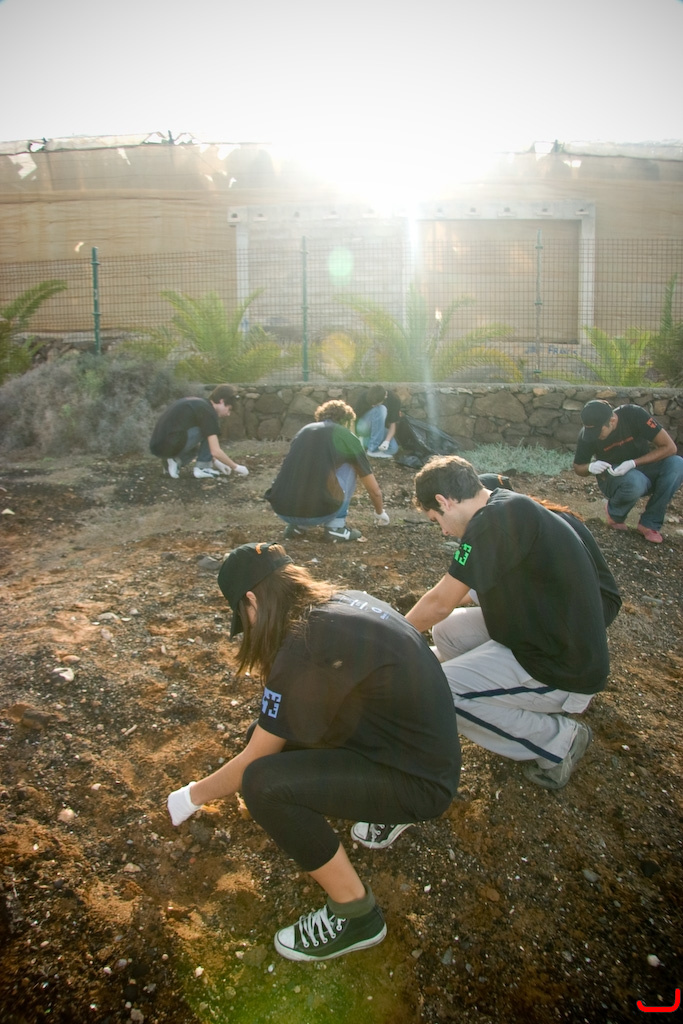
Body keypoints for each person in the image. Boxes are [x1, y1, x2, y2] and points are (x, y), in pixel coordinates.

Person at [166, 541, 460, 962]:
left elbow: (254, 763)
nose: (248, 627)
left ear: (252, 600)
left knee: (262, 784)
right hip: (419, 752)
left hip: (420, 782)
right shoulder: (340, 603)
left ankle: (355, 914)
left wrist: (189, 796)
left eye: (242, 616)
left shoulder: (303, 645)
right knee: (267, 740)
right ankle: (377, 814)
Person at [351, 461, 616, 850]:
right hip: (541, 635)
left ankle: (558, 742)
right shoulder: (502, 504)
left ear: (444, 500)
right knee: (447, 631)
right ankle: (472, 689)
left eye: (436, 519)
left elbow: (440, 601)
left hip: (560, 665)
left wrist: (385, 641)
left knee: (440, 694)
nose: (443, 531)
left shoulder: (494, 522)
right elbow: (451, 600)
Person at [265, 400, 390, 542]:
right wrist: (380, 512)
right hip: (319, 513)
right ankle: (336, 527)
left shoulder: (304, 431)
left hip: (282, 510)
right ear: (347, 421)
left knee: (305, 465)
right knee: (351, 465)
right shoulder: (345, 435)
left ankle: (297, 527)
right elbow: (373, 489)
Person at [573, 399, 683, 544]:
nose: (595, 436)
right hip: (614, 476)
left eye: (599, 431)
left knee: (677, 464)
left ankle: (649, 523)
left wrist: (633, 463)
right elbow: (578, 467)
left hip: (643, 466)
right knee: (635, 481)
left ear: (612, 421)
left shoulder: (634, 414)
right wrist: (589, 467)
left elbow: (670, 447)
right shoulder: (587, 435)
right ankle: (615, 514)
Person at [149, 384, 249, 480]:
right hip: (170, 443)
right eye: (229, 409)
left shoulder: (200, 404)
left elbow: (207, 449)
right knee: (209, 430)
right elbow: (215, 450)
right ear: (222, 401)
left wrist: (216, 462)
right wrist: (236, 467)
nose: (228, 414)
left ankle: (174, 461)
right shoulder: (209, 412)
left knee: (201, 441)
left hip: (159, 446)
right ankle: (202, 468)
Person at [352, 385, 401, 458]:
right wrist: (353, 435)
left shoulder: (394, 400)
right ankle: (372, 450)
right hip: (363, 427)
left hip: (378, 429)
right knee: (381, 409)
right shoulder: (364, 396)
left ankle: (363, 441)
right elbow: (353, 418)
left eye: (375, 404)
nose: (373, 406)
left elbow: (393, 424)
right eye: (372, 404)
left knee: (393, 449)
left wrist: (386, 441)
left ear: (385, 396)